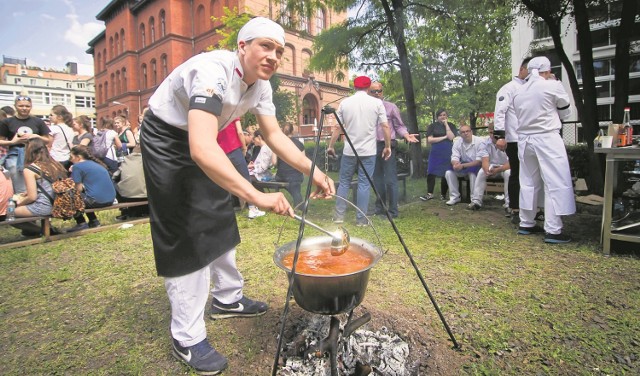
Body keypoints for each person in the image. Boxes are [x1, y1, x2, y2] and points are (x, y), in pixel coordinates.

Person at [139, 17, 334, 375]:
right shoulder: (213, 71)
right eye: (265, 46)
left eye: (278, 50)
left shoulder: (261, 86)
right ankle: (187, 335)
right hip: (168, 139)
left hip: (203, 140)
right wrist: (256, 195)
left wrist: (315, 171)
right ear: (242, 47)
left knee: (217, 216)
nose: (274, 56)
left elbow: (274, 136)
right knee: (186, 230)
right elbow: (199, 147)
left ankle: (227, 299)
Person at [512, 56, 574, 243]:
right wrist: (555, 83)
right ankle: (553, 230)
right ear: (546, 71)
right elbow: (566, 112)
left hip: (525, 140)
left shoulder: (518, 92)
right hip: (547, 137)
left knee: (528, 181)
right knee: (554, 181)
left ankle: (526, 223)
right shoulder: (553, 85)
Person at [327, 75, 391, 226]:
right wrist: (387, 146)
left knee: (343, 183)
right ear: (368, 88)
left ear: (354, 87)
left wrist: (330, 146)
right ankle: (361, 220)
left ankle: (338, 217)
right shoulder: (377, 103)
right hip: (368, 151)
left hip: (349, 150)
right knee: (364, 184)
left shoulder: (345, 103)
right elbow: (385, 126)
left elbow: (338, 127)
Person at [368, 82, 418, 218]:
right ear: (368, 92)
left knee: (390, 179)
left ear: (382, 92)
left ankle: (393, 211)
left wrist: (406, 135)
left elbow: (399, 126)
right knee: (377, 179)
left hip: (388, 145)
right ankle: (380, 209)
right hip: (371, 146)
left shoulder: (391, 107)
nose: (377, 93)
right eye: (373, 91)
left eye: (379, 91)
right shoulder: (366, 109)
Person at [493, 57, 532, 224]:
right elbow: (500, 112)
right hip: (514, 139)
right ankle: (515, 208)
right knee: (517, 173)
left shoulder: (532, 89)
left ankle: (530, 208)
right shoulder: (508, 88)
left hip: (530, 138)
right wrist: (500, 136)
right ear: (522, 70)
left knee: (530, 176)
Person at [0, 96, 51, 193]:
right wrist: (13, 142)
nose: (24, 108)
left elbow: (47, 140)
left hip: (36, 154)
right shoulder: (6, 122)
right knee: (15, 172)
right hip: (15, 155)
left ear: (31, 106)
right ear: (15, 106)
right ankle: (21, 196)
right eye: (21, 106)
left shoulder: (38, 121)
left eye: (27, 106)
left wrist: (36, 136)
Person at [216, 118, 265, 219]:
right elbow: (240, 132)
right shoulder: (233, 116)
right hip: (234, 149)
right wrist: (244, 148)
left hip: (221, 151)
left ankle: (228, 208)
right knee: (245, 178)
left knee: (227, 180)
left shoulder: (217, 116)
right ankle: (252, 209)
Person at [66, 145, 116, 232]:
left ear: (78, 157)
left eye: (71, 157)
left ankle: (81, 223)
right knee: (86, 196)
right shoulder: (97, 164)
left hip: (96, 201)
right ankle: (93, 221)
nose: (70, 160)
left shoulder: (77, 167)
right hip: (110, 199)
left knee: (70, 195)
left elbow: (78, 190)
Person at [13, 138, 67, 218]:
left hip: (44, 206)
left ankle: (46, 230)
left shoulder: (30, 169)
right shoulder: (55, 165)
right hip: (60, 204)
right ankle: (43, 230)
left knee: (9, 212)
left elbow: (32, 197)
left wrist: (18, 203)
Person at [468, 123, 510, 211]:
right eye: (490, 132)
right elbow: (485, 160)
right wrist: (487, 170)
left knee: (508, 174)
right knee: (482, 172)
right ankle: (476, 202)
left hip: (506, 167)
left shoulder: (508, 142)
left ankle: (509, 204)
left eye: (494, 133)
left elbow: (511, 163)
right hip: (492, 166)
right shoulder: (485, 142)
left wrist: (499, 169)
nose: (492, 135)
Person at [420, 109, 457, 201]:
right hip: (435, 151)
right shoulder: (432, 126)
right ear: (437, 117)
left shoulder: (451, 125)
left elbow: (451, 137)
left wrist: (446, 125)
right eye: (440, 115)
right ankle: (429, 193)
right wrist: (445, 137)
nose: (443, 117)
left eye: (444, 115)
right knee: (431, 171)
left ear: (447, 116)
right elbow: (430, 140)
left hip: (447, 151)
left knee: (446, 172)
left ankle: (443, 194)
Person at [444, 124, 483, 206]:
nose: (465, 133)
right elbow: (454, 156)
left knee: (473, 173)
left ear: (471, 132)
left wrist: (462, 166)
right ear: (460, 134)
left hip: (476, 165)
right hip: (463, 165)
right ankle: (454, 197)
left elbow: (479, 161)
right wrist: (455, 164)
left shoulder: (480, 141)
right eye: (463, 132)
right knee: (449, 172)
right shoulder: (457, 142)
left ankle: (474, 199)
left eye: (467, 131)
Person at [113, 144, 148, 220]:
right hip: (146, 195)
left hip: (127, 196)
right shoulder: (149, 160)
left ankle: (124, 210)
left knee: (114, 184)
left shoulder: (125, 160)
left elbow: (114, 176)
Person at [275, 123, 305, 208]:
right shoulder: (299, 144)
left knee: (292, 185)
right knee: (295, 187)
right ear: (292, 131)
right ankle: (299, 204)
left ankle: (294, 199)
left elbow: (274, 162)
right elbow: (303, 161)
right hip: (294, 177)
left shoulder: (277, 143)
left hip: (280, 176)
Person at [48, 105, 76, 170]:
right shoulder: (70, 128)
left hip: (55, 158)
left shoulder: (53, 128)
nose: (49, 117)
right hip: (67, 158)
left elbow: (49, 145)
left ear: (59, 117)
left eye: (51, 115)